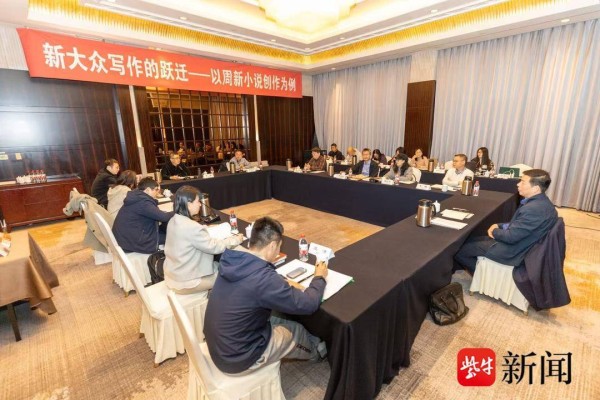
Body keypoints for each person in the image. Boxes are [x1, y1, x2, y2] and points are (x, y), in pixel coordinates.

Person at [203, 216, 328, 374]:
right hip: (238, 357)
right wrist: (319, 277)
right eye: (279, 247)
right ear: (272, 245)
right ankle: (317, 353)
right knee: (295, 330)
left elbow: (253, 284)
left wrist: (281, 282)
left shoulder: (233, 260)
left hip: (220, 345)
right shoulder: (263, 279)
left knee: (278, 317)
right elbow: (308, 304)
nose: (277, 252)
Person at [454, 169, 558, 274]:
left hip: (513, 251)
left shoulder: (533, 209)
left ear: (535, 188)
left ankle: (484, 278)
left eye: (522, 182)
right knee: (470, 239)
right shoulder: (541, 202)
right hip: (521, 242)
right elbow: (520, 225)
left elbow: (510, 237)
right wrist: (499, 225)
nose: (518, 184)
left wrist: (494, 230)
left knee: (459, 251)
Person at [163, 186, 243, 294]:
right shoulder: (192, 228)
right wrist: (235, 239)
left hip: (174, 274)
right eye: (198, 201)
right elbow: (215, 247)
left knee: (219, 265)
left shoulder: (173, 220)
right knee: (232, 274)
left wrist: (203, 228)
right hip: (187, 281)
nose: (200, 204)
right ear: (189, 204)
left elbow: (189, 234)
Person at [112, 177, 174, 254]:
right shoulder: (143, 202)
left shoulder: (137, 197)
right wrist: (177, 211)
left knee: (166, 230)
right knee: (173, 236)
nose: (157, 193)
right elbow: (164, 217)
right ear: (147, 190)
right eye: (156, 190)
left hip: (126, 239)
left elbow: (155, 213)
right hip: (133, 242)